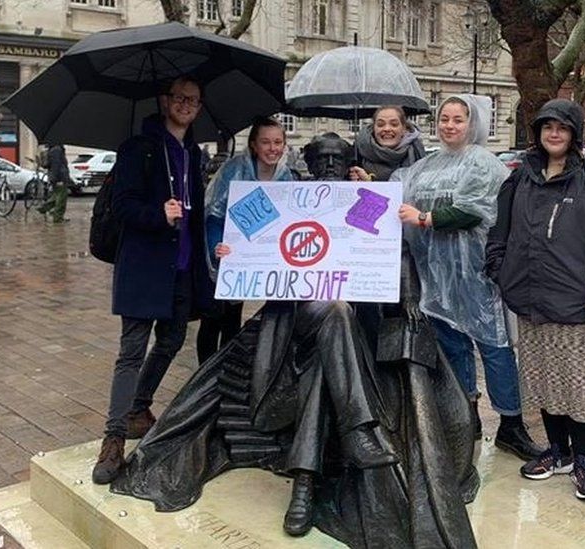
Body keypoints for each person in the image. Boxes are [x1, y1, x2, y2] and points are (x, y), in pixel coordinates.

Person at [111, 133, 479, 548]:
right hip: (293, 318)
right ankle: (359, 430)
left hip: (350, 321)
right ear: (307, 162)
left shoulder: (365, 200)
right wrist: (228, 252)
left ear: (348, 162)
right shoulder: (289, 198)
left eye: (336, 159)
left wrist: (409, 297)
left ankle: (304, 483)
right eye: (320, 159)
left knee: (330, 344)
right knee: (332, 313)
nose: (327, 167)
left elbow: (397, 252)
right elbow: (247, 247)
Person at [485, 99, 585, 501]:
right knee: (543, 379)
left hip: (578, 303)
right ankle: (558, 451)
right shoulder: (520, 178)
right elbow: (500, 232)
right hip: (530, 298)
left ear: (574, 134)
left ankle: (583, 458)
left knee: (578, 382)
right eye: (546, 127)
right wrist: (501, 270)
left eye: (561, 128)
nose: (553, 134)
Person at [395, 94, 543, 461]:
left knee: (495, 349)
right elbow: (399, 194)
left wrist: (426, 218)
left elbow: (471, 210)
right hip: (439, 276)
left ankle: (511, 423)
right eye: (444, 118)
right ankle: (466, 415)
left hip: (478, 273)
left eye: (457, 119)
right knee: (453, 348)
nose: (449, 125)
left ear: (471, 122)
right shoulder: (427, 165)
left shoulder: (484, 162)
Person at [91, 76, 214, 485]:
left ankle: (138, 408)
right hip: (143, 267)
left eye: (192, 100)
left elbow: (196, 217)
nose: (185, 105)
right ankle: (113, 440)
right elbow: (123, 206)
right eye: (179, 97)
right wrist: (157, 214)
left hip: (181, 269)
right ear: (165, 101)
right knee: (131, 351)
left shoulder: (193, 154)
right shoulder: (138, 149)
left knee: (173, 339)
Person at [196, 117, 295, 364]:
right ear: (253, 145)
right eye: (266, 142)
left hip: (253, 261)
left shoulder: (286, 177)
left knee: (232, 320)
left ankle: (223, 375)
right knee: (212, 320)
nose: (273, 148)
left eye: (277, 142)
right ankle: (203, 374)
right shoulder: (232, 171)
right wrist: (215, 247)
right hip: (226, 257)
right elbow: (213, 215)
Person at [349, 106, 425, 182]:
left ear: (404, 129)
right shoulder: (357, 154)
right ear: (374, 128)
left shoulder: (417, 153)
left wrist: (370, 183)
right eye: (380, 125)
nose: (387, 129)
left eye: (394, 124)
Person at [37, 143, 71, 223]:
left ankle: (44, 208)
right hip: (60, 178)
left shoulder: (53, 150)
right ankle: (58, 218)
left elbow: (49, 165)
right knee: (61, 198)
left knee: (56, 196)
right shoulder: (57, 150)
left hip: (56, 177)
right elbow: (56, 166)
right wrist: (57, 179)